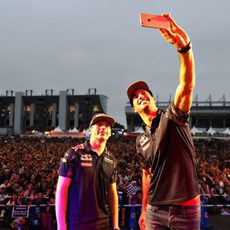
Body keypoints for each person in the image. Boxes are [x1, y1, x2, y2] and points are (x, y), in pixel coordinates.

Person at [127, 13, 200, 230]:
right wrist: (143, 209)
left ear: (153, 98)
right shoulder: (140, 140)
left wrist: (184, 47)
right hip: (154, 212)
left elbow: (186, 86)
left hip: (185, 210)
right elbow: (147, 176)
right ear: (134, 107)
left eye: (144, 92)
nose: (140, 95)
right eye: (135, 96)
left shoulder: (172, 117)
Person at [55, 113, 119, 230]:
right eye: (99, 124)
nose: (103, 127)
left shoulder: (111, 159)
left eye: (107, 125)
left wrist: (115, 225)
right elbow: (61, 190)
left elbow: (112, 194)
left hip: (103, 223)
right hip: (77, 223)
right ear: (90, 130)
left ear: (110, 132)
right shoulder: (74, 154)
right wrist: (61, 226)